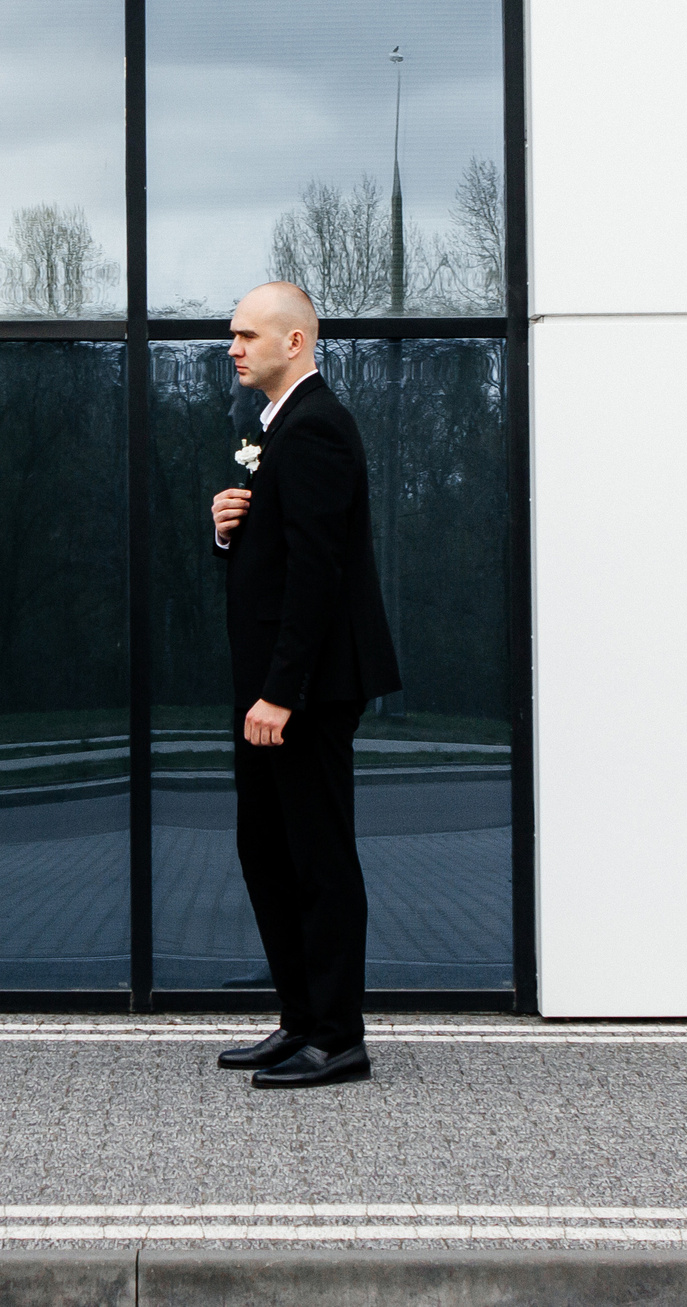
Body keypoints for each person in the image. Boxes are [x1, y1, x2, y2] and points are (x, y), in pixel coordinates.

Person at [207, 281, 401, 1089]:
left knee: (316, 855)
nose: (233, 347)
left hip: (307, 692)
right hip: (275, 686)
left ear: (296, 342)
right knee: (267, 849)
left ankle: (337, 1036)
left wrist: (281, 692)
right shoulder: (275, 429)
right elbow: (281, 556)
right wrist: (228, 531)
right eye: (232, 335)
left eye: (248, 334)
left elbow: (319, 575)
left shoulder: (318, 428)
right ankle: (299, 1020)